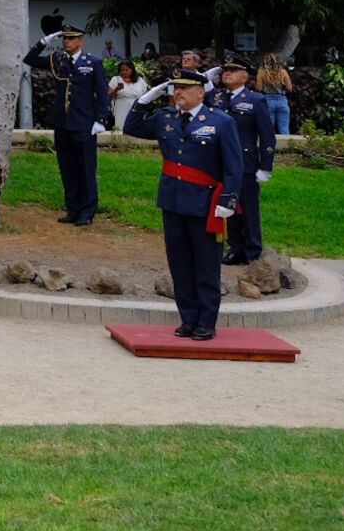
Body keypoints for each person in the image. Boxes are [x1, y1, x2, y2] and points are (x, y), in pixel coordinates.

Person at [123, 71, 242, 340]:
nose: (178, 92)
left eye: (185, 88)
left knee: (206, 264)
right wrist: (145, 99)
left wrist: (229, 201)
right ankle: (188, 317)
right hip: (173, 202)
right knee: (180, 264)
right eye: (175, 88)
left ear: (201, 92)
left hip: (204, 204)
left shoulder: (220, 122)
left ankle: (206, 321)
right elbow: (131, 127)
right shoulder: (165, 118)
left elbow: (234, 167)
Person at [23, 23, 106, 226]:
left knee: (85, 168)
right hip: (62, 122)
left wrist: (101, 120)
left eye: (71, 38)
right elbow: (29, 59)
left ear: (81, 41)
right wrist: (45, 40)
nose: (66, 42)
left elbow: (102, 93)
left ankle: (87, 211)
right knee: (67, 167)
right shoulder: (57, 59)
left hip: (84, 123)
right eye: (64, 38)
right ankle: (73, 208)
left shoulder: (92, 62)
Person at [208, 59, 276, 265]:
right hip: (221, 162)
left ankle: (253, 248)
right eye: (225, 70)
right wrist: (209, 74)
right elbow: (196, 86)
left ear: (245, 77)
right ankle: (235, 246)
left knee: (247, 208)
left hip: (245, 162)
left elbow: (267, 135)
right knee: (228, 205)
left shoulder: (255, 100)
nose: (227, 74)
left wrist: (265, 166)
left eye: (233, 71)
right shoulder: (217, 97)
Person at [255, 54, 293, 137]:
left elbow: (259, 88)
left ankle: (269, 147)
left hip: (268, 100)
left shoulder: (261, 72)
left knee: (269, 127)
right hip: (282, 100)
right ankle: (286, 147)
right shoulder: (283, 72)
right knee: (284, 127)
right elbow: (289, 88)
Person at [108, 60, 147, 130]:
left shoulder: (140, 80)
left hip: (136, 110)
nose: (124, 72)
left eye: (126, 70)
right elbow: (109, 96)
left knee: (136, 130)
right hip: (120, 110)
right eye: (122, 70)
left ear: (132, 70)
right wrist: (117, 89)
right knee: (121, 129)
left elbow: (145, 96)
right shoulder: (115, 79)